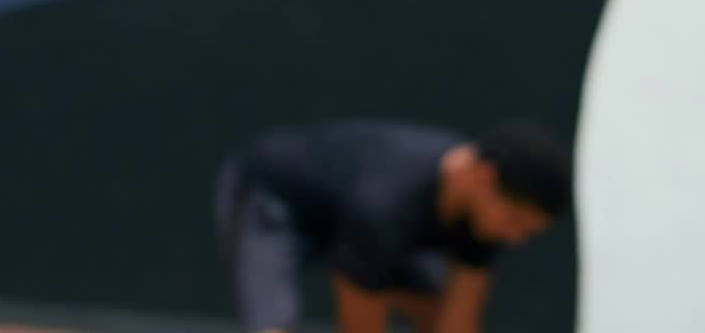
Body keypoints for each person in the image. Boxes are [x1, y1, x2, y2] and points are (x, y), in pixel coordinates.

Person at [214, 119, 571, 333]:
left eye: (526, 232)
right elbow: (361, 327)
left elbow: (456, 324)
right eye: (514, 221)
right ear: (484, 178)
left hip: (352, 222)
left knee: (433, 309)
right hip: (274, 200)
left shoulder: (485, 217)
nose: (515, 238)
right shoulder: (387, 202)